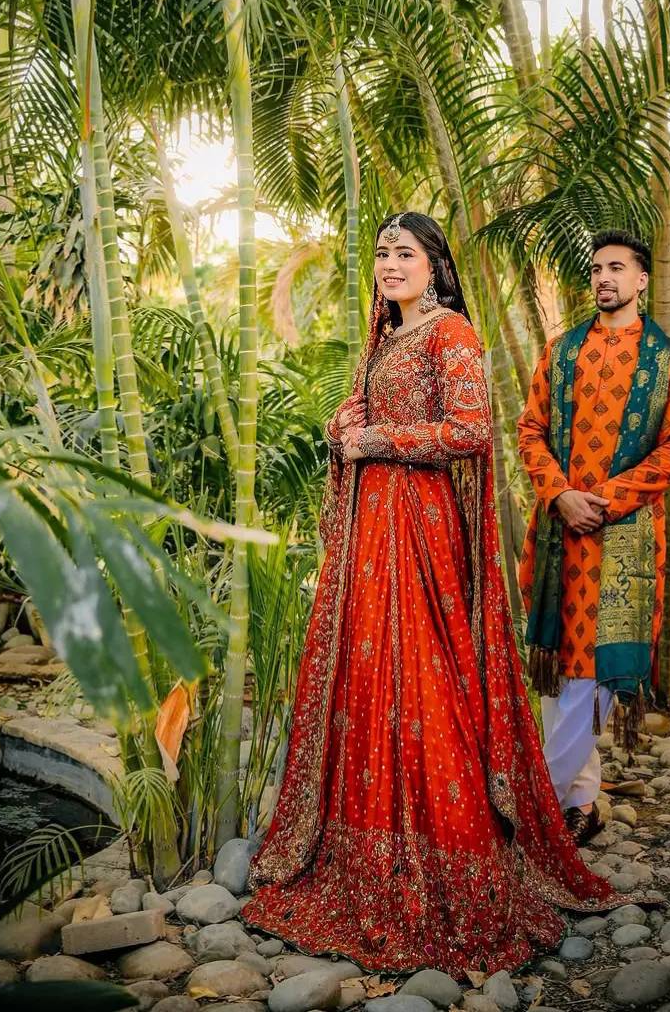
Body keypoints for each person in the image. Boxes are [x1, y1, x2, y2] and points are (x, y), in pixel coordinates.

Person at [243, 212, 617, 975]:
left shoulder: (452, 334)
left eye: (404, 253)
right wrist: (344, 425)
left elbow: (471, 431)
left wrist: (376, 440)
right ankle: (358, 842)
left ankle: (452, 851)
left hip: (422, 529)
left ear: (435, 265)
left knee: (425, 680)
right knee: (370, 680)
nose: (389, 264)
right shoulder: (385, 338)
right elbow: (363, 422)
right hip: (372, 535)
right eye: (382, 253)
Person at [517, 231, 670, 843]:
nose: (603, 278)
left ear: (642, 279)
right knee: (559, 666)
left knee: (598, 668)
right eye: (596, 269)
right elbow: (530, 430)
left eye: (616, 268)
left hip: (625, 536)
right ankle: (582, 804)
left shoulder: (666, 359)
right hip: (559, 531)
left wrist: (605, 499)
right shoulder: (562, 350)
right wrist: (561, 494)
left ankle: (536, 804)